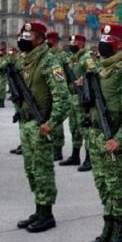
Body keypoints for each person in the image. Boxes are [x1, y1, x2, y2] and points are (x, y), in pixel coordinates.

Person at [82, 24, 122, 242]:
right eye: (103, 38)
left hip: (113, 137)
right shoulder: (100, 67)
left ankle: (119, 234)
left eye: (110, 39)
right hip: (97, 135)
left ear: (120, 44)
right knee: (103, 185)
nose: (104, 43)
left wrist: (119, 139)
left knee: (117, 188)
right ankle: (107, 230)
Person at [7, 22, 71, 232]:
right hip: (26, 124)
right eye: (23, 34)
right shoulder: (23, 61)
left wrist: (51, 123)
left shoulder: (49, 62)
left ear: (40, 39)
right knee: (31, 170)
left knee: (42, 170)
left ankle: (47, 214)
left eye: (29, 35)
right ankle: (38, 210)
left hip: (40, 124)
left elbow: (63, 98)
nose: (23, 38)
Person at [59, 35, 89, 167]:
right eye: (70, 41)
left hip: (82, 97)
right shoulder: (71, 58)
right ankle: (75, 156)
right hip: (72, 97)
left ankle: (89, 158)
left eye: (75, 41)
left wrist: (84, 79)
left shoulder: (87, 57)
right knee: (74, 128)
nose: (72, 44)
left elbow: (94, 73)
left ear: (81, 43)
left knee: (85, 128)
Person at [45, 30, 67, 161]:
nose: (48, 42)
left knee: (57, 121)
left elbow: (67, 74)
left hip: (58, 90)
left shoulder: (62, 56)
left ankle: (57, 150)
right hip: (47, 91)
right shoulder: (46, 55)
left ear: (55, 41)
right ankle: (49, 146)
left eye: (50, 40)